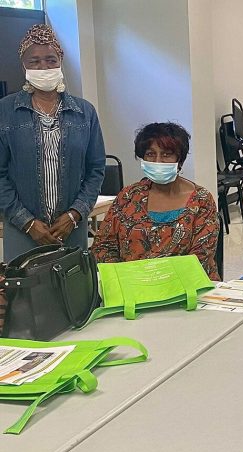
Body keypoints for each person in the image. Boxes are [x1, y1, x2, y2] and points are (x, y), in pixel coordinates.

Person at [0, 24, 105, 259]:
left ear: (61, 61)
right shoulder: (5, 111)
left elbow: (96, 170)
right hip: (21, 230)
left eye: (50, 59)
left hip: (70, 229)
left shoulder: (84, 113)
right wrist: (26, 222)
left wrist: (75, 214)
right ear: (23, 65)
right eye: (34, 61)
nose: (43, 67)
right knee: (26, 293)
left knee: (72, 292)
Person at [92, 123, 220, 280]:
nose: (158, 161)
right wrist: (125, 280)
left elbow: (201, 258)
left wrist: (157, 283)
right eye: (150, 154)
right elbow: (103, 246)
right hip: (132, 288)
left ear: (179, 160)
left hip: (187, 290)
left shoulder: (201, 201)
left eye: (166, 155)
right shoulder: (128, 197)